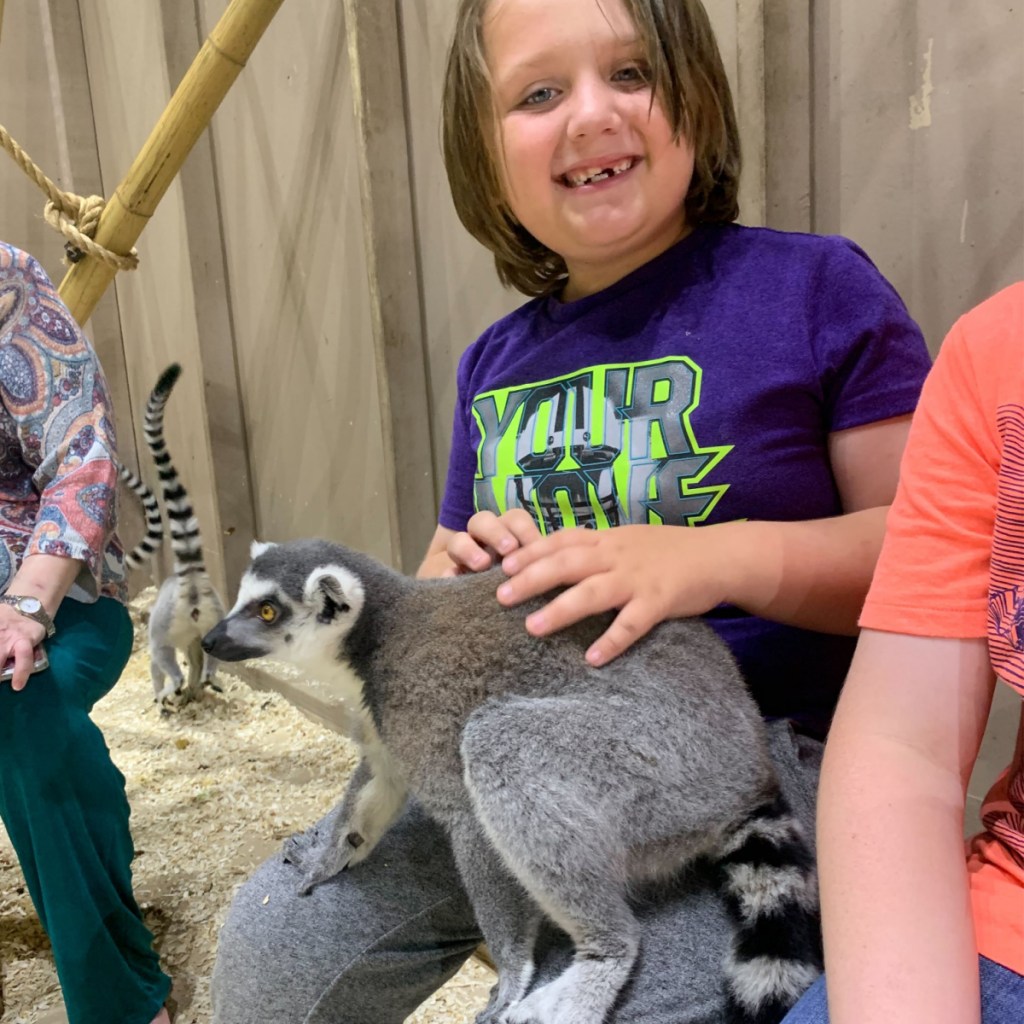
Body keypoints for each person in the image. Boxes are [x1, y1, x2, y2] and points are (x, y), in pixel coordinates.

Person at [210, 1, 934, 1021]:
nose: (590, 114)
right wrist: (457, 574)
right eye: (539, 93)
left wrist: (710, 561)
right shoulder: (494, 364)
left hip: (738, 756)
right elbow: (433, 596)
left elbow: (926, 562)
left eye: (630, 75)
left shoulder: (812, 289)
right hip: (518, 737)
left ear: (699, 100)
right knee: (274, 949)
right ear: (485, 155)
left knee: (637, 1001)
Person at [779, 283, 1024, 1024]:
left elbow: (879, 541)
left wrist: (708, 561)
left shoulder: (814, 284)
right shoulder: (998, 344)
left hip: (781, 736)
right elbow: (901, 746)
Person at [0, 242, 172, 1024]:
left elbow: (80, 456)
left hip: (55, 601)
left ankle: (117, 999)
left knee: (25, 710)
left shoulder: (6, 280)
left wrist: (27, 605)